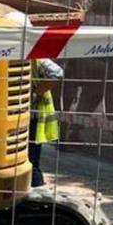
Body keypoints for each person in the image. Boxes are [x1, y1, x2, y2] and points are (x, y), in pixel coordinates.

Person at [29, 58, 63, 188]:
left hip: (33, 114)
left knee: (31, 159)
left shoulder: (36, 59)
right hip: (24, 114)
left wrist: (36, 91)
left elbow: (57, 72)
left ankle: (36, 188)